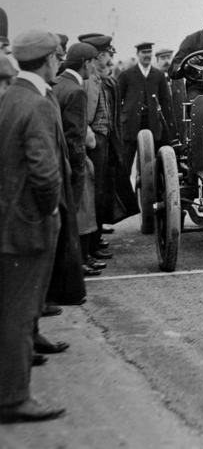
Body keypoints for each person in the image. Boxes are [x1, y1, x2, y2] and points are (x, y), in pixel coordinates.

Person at [0, 29, 68, 424]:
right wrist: (49, 213)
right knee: (20, 314)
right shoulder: (39, 104)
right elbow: (45, 174)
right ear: (46, 61)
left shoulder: (10, 97)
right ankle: (13, 398)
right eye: (56, 57)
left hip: (9, 220)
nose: (58, 62)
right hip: (29, 225)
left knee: (10, 309)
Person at [78, 35, 138, 264]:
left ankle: (95, 241)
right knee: (93, 195)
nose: (110, 61)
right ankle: (91, 246)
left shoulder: (105, 81)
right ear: (99, 57)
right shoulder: (89, 82)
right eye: (107, 56)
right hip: (95, 143)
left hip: (106, 141)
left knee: (102, 192)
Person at [48, 43, 98, 303]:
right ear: (87, 63)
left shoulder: (57, 85)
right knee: (70, 226)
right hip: (70, 167)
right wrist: (78, 173)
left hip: (53, 164)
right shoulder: (77, 92)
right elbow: (76, 140)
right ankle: (66, 287)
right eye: (93, 62)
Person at [117, 42, 176, 172]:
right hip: (131, 124)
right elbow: (117, 99)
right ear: (138, 54)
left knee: (152, 163)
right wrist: (122, 117)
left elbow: (165, 101)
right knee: (125, 163)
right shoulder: (127, 75)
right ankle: (124, 191)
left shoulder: (158, 75)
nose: (147, 55)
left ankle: (150, 190)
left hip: (152, 123)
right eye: (144, 53)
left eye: (149, 52)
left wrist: (167, 126)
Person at [155, 47, 185, 141]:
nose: (166, 61)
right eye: (163, 58)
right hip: (164, 129)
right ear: (157, 61)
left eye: (168, 58)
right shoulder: (155, 80)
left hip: (181, 127)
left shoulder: (180, 79)